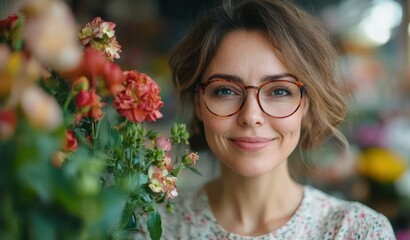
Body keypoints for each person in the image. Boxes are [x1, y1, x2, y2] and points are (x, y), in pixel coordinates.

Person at [158, 0, 396, 239]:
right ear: (199, 103)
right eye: (226, 90)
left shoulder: (357, 231)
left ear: (305, 105)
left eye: (279, 91)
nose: (251, 116)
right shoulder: (155, 225)